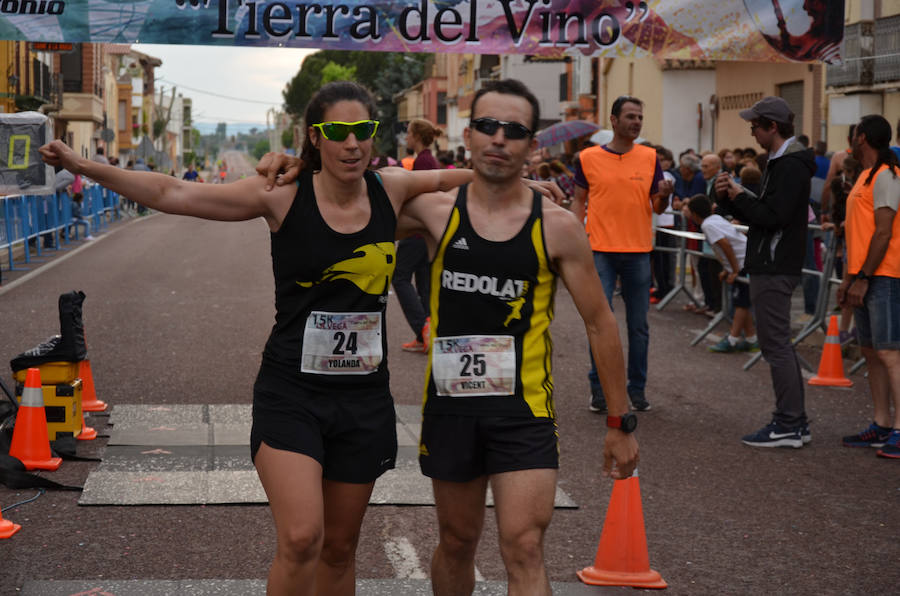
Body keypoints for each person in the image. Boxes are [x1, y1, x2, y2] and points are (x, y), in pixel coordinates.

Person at [40, 81, 491, 596]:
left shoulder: (392, 189)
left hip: (364, 400)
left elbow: (467, 178)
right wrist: (85, 167)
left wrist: (521, 184)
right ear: (314, 138)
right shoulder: (281, 195)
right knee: (302, 538)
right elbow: (175, 192)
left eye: (362, 131)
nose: (352, 144)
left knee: (341, 549)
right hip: (291, 393)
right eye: (338, 132)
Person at [396, 78, 639, 596]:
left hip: (522, 411)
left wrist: (620, 421)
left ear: (532, 144)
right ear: (468, 135)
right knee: (458, 540)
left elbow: (601, 322)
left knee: (524, 545)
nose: (498, 138)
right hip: (451, 407)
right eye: (487, 126)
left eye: (514, 130)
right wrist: (298, 163)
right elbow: (344, 201)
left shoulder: (557, 227)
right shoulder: (434, 210)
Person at [715, 96, 816, 448]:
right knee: (777, 345)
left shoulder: (788, 164)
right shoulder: (781, 160)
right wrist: (733, 197)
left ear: (772, 127)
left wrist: (739, 197)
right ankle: (794, 421)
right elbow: (767, 211)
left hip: (774, 265)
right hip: (771, 262)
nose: (752, 132)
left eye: (755, 126)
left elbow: (773, 216)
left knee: (776, 345)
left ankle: (789, 421)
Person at [571, 95, 674, 414]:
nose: (636, 122)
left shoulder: (649, 157)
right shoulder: (587, 158)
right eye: (630, 116)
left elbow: (656, 205)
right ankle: (599, 389)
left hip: (639, 252)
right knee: (600, 324)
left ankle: (637, 389)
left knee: (638, 325)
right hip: (599, 251)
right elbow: (578, 201)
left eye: (640, 117)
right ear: (613, 121)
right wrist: (574, 239)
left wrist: (665, 198)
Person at [837, 114, 900, 460]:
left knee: (890, 353)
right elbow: (858, 235)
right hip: (865, 276)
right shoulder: (865, 176)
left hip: (885, 275)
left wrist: (862, 277)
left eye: (855, 129)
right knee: (873, 353)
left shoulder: (888, 176)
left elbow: (883, 231)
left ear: (862, 137)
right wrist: (848, 280)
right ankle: (882, 423)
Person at [394, 118, 442, 353]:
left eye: (409, 133)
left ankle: (422, 327)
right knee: (424, 284)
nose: (407, 138)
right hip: (426, 233)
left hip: (416, 231)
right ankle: (427, 335)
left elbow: (417, 197)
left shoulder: (422, 162)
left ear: (418, 136)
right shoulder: (428, 160)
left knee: (400, 277)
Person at [686, 194, 757, 352]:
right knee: (742, 302)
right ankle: (752, 338)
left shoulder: (707, 226)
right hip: (744, 260)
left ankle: (732, 339)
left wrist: (734, 270)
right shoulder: (715, 219)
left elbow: (725, 245)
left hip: (744, 263)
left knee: (740, 303)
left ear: (695, 214)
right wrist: (728, 269)